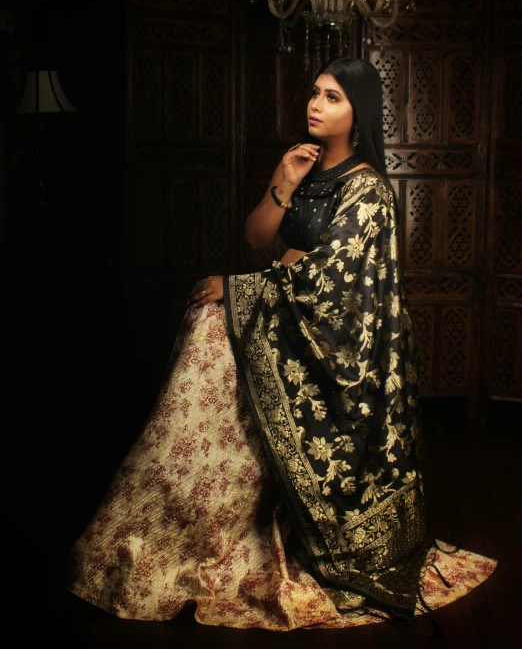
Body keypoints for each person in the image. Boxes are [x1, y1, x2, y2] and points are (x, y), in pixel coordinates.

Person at [68, 57, 495, 630]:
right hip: (277, 319)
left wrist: (238, 291)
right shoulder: (311, 171)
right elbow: (256, 240)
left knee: (212, 325)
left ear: (359, 111)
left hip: (320, 345)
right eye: (315, 93)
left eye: (333, 98)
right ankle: (173, 518)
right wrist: (283, 181)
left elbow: (334, 287)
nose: (316, 105)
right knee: (205, 331)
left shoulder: (367, 191)